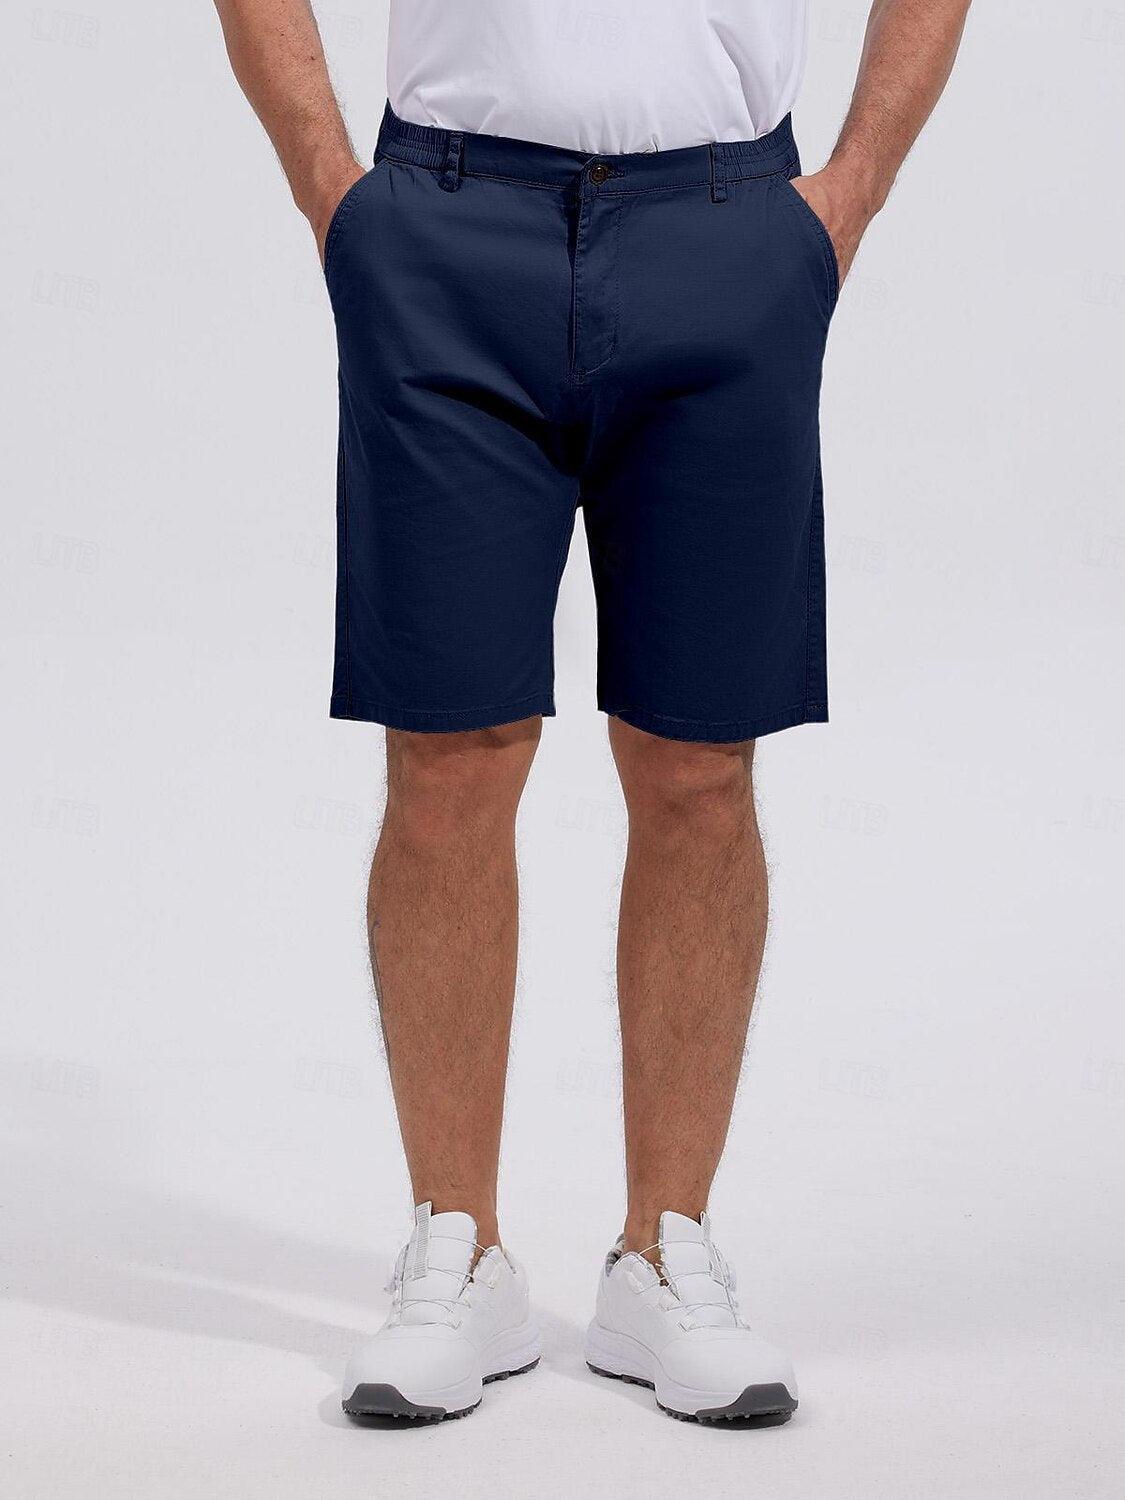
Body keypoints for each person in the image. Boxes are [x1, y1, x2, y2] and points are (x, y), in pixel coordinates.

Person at [213, 0, 971, 1424]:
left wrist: (847, 195)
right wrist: (331, 188)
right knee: (448, 755)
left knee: (698, 766)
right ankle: (457, 1245)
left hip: (727, 225)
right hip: (445, 228)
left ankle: (661, 1250)